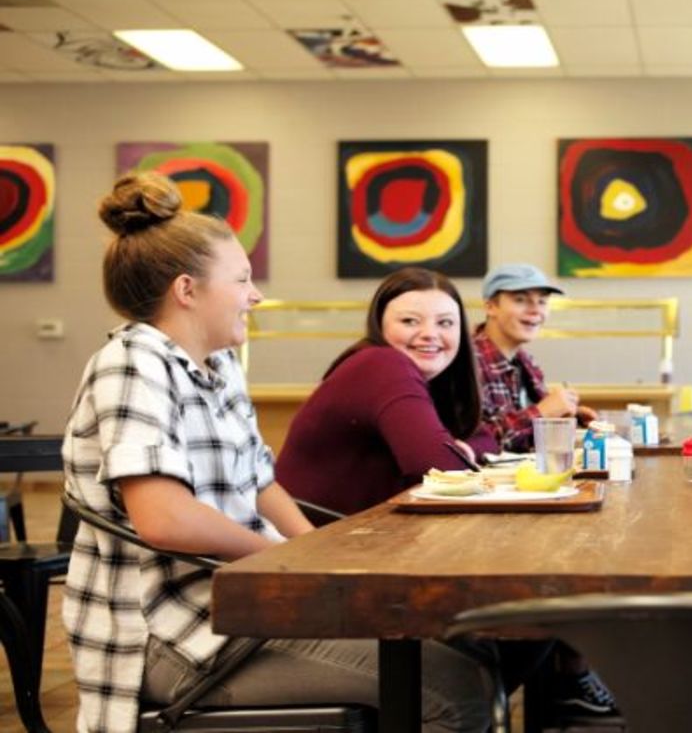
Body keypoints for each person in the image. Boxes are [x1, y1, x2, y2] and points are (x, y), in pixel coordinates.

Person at [62, 173, 490, 733]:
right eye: (242, 279)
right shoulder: (133, 362)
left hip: (242, 604)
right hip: (171, 634)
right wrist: (281, 560)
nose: (256, 295)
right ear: (187, 290)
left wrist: (317, 558)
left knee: (466, 645)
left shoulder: (219, 367)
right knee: (452, 689)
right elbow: (164, 519)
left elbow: (261, 482)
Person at [276, 267, 499, 516]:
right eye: (409, 321)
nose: (429, 334)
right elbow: (442, 470)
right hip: (310, 533)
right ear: (379, 325)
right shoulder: (382, 364)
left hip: (361, 529)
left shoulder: (434, 380)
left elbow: (487, 441)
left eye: (445, 323)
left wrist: (464, 450)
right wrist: (458, 456)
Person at [474, 263, 596, 452]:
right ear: (490, 306)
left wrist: (569, 414)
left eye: (542, 301)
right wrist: (542, 412)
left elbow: (526, 427)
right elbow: (478, 443)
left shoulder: (525, 361)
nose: (535, 310)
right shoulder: (468, 362)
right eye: (521, 300)